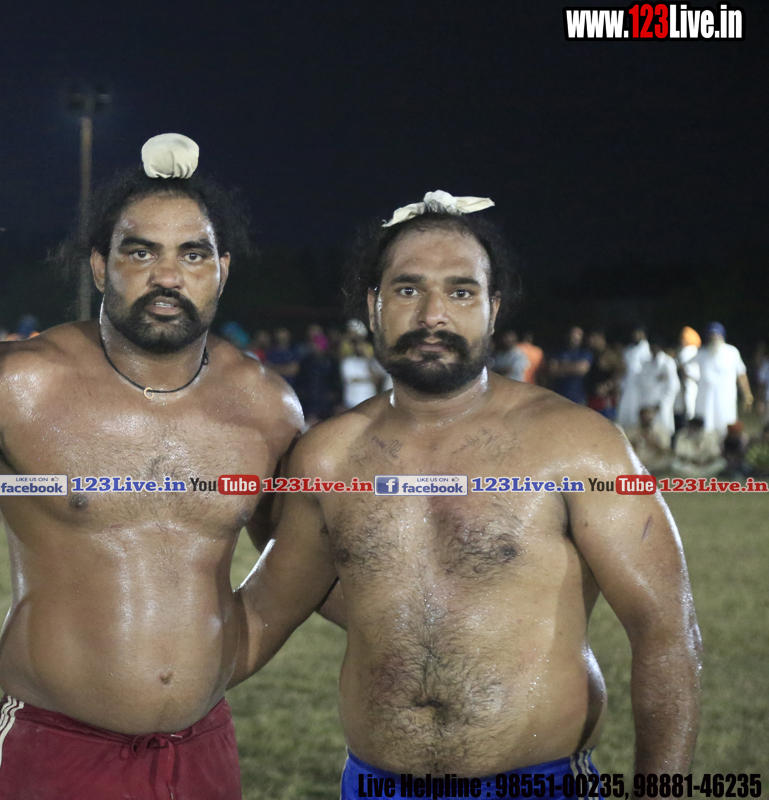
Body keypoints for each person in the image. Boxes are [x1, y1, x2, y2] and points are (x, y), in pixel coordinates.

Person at [230, 190, 701, 793]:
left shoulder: (579, 444)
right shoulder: (329, 456)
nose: (433, 315)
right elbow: (263, 613)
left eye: (461, 292)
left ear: (493, 307)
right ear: (374, 305)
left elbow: (666, 633)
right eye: (408, 290)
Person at [0, 134, 302, 799]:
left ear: (222, 269)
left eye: (193, 254)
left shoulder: (268, 406)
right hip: (53, 752)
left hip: (203, 751)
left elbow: (301, 561)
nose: (168, 276)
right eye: (141, 252)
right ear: (101, 267)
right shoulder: (14, 382)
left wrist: (222, 657)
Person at [683, 322, 752, 434]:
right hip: (706, 401)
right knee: (705, 429)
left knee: (726, 428)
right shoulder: (702, 353)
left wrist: (747, 395)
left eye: (716, 335)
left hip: (726, 400)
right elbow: (684, 366)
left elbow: (741, 374)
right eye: (711, 336)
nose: (714, 338)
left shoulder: (732, 352)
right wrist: (692, 380)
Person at [634, 337, 680, 434]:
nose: (652, 349)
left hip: (660, 407)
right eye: (651, 346)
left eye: (654, 346)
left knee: (662, 433)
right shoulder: (646, 364)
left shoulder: (668, 363)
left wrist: (661, 404)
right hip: (646, 407)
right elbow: (640, 385)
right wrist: (644, 406)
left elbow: (673, 387)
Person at [545, 325, 592, 403]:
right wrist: (574, 367)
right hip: (558, 396)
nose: (574, 336)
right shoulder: (558, 353)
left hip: (578, 398)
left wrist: (561, 366)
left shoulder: (585, 353)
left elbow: (582, 369)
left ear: (582, 337)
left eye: (578, 334)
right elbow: (552, 370)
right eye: (573, 334)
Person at [583, 329, 622, 420]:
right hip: (591, 399)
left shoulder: (610, 354)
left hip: (605, 401)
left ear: (601, 338)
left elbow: (620, 371)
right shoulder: (591, 353)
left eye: (594, 338)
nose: (591, 340)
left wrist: (608, 385)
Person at [616, 328, 652, 427]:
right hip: (628, 385)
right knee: (625, 412)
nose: (636, 335)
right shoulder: (629, 350)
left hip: (642, 386)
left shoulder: (647, 349)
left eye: (639, 333)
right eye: (635, 333)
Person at [625, 406, 675, 474]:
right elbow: (624, 447)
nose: (647, 419)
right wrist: (633, 444)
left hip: (655, 465)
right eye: (645, 416)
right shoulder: (631, 431)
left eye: (650, 417)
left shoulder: (661, 431)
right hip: (635, 464)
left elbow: (667, 451)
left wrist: (654, 443)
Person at [674, 326, 702, 428]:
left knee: (690, 408)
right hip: (697, 382)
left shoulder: (687, 351)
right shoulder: (697, 351)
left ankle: (689, 427)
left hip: (690, 382)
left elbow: (685, 370)